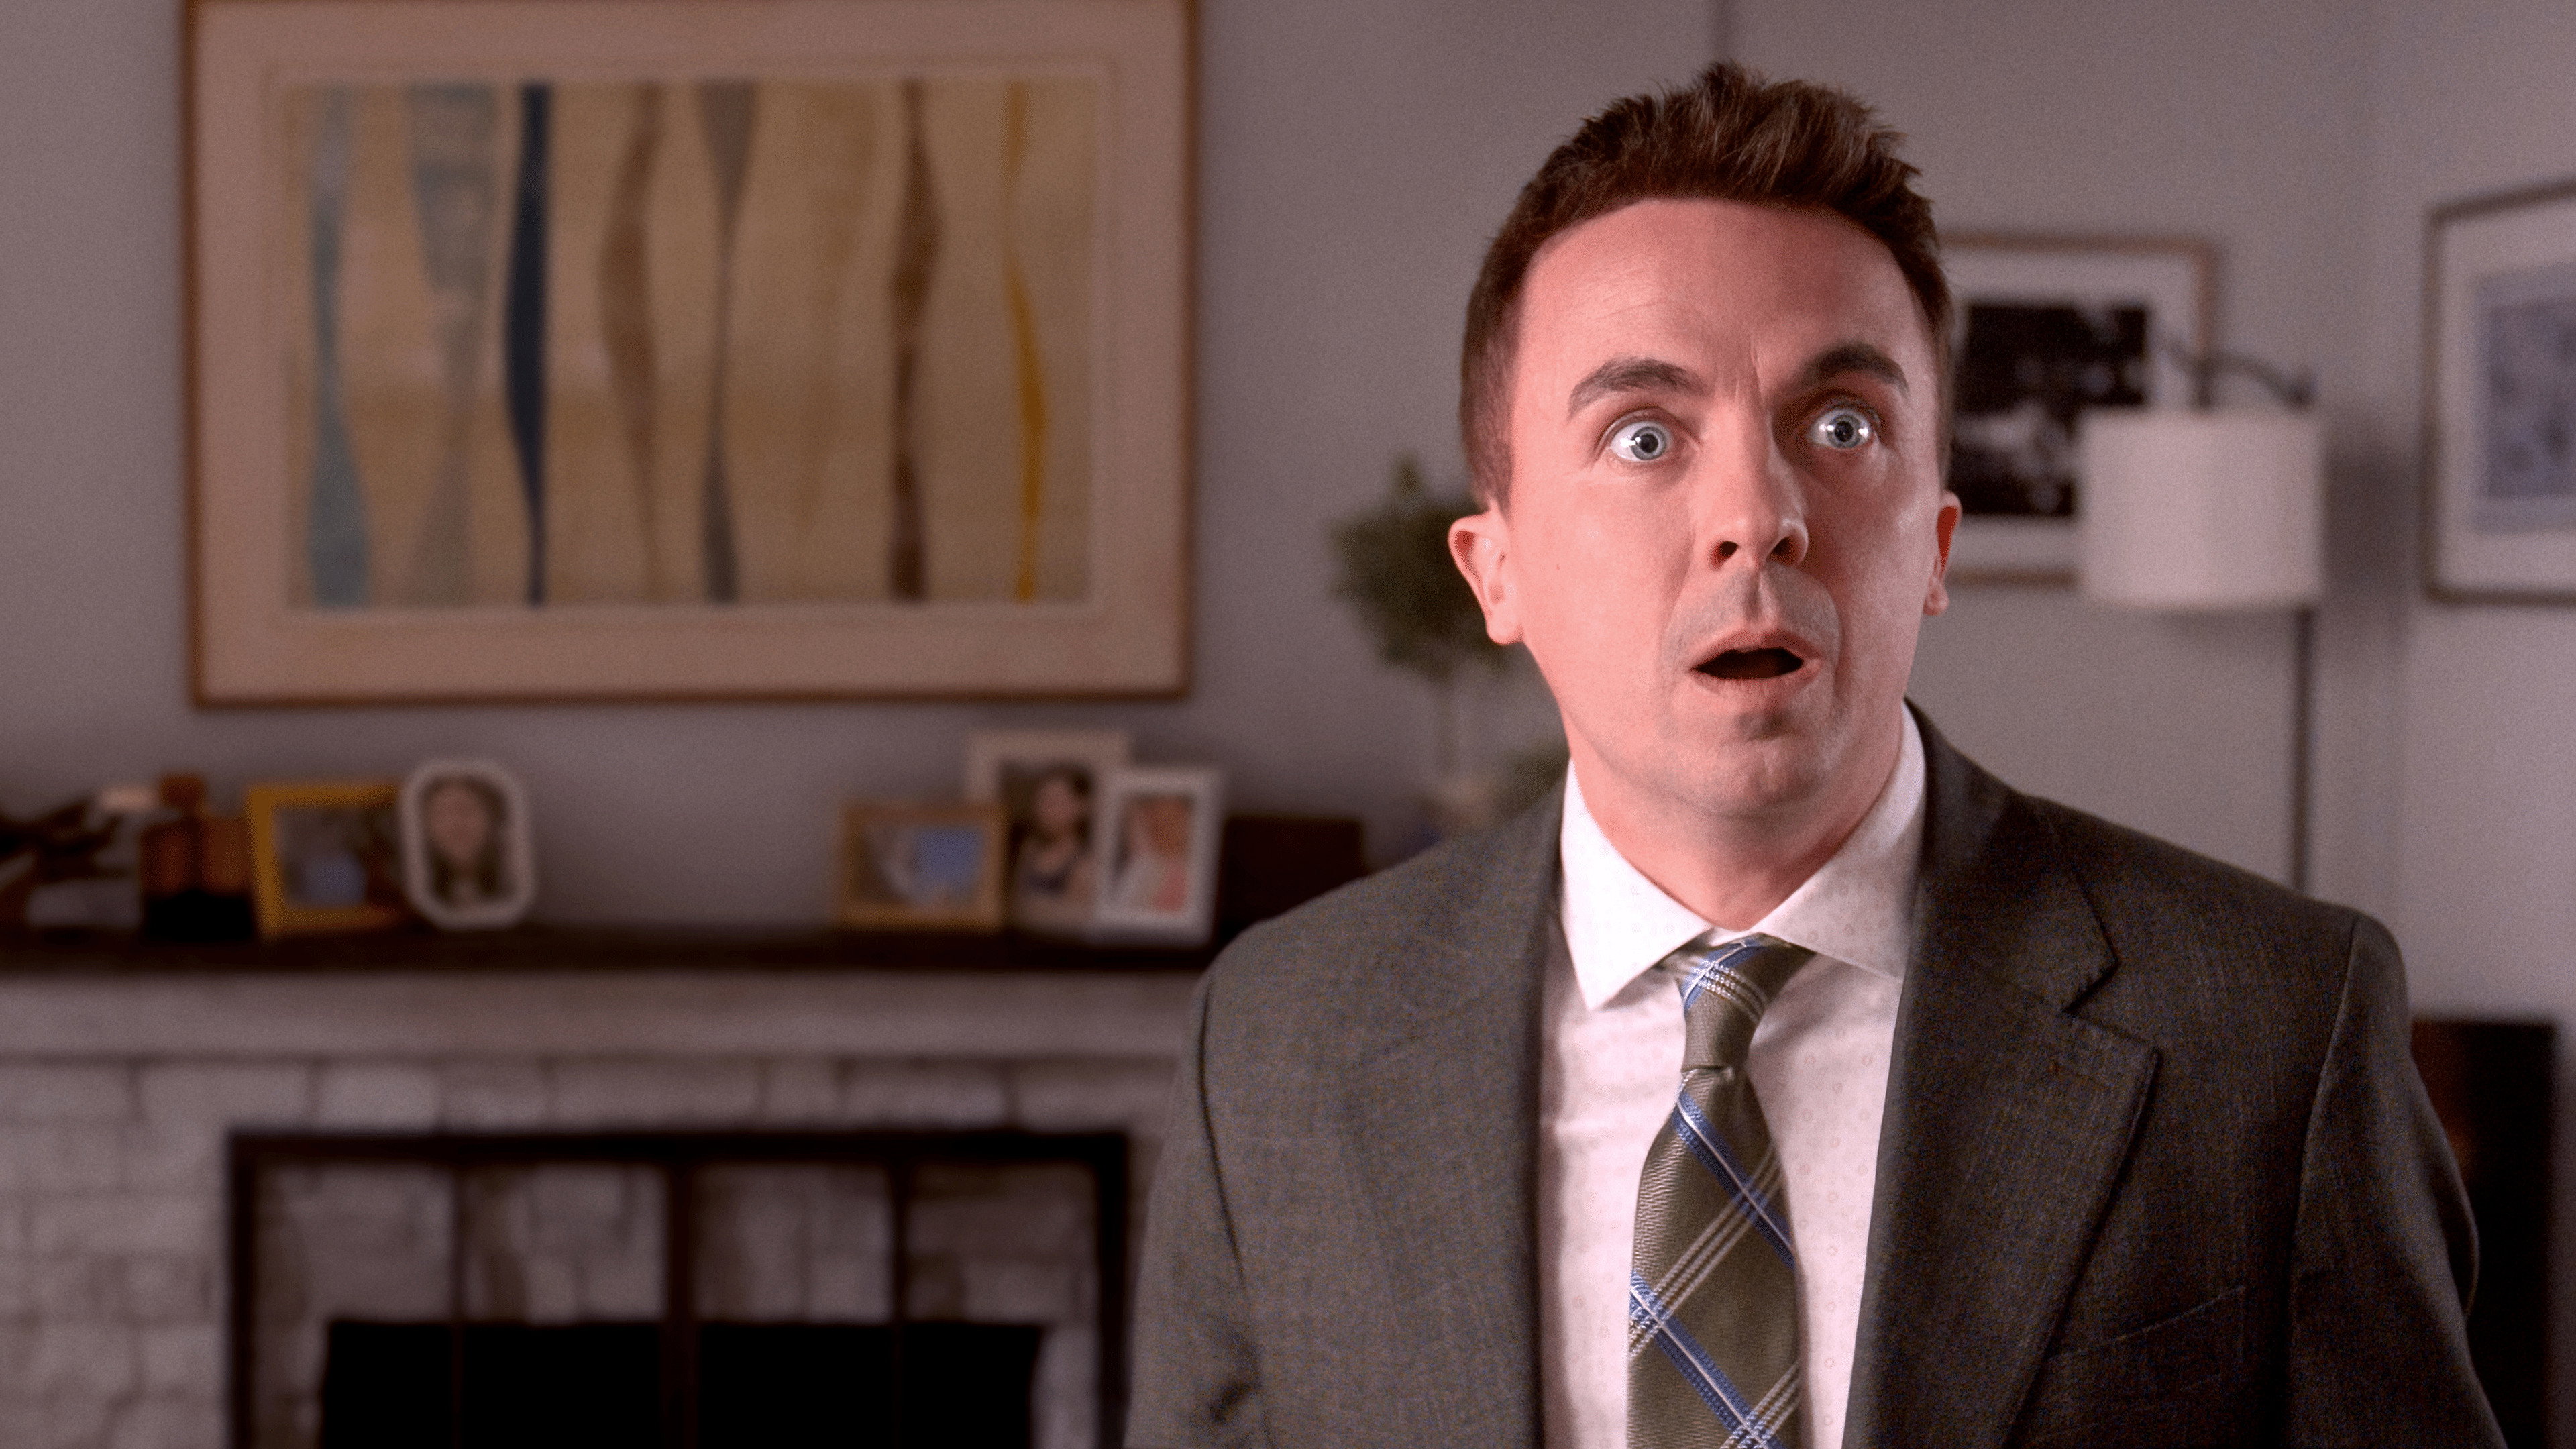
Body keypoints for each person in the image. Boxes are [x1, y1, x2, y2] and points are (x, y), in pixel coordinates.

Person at [1128, 62, 2498, 1449]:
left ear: (1937, 546)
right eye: (1643, 436)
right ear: (1500, 572)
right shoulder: (1277, 1043)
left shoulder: (2276, 1032)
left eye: (1842, 426)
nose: (1759, 513)